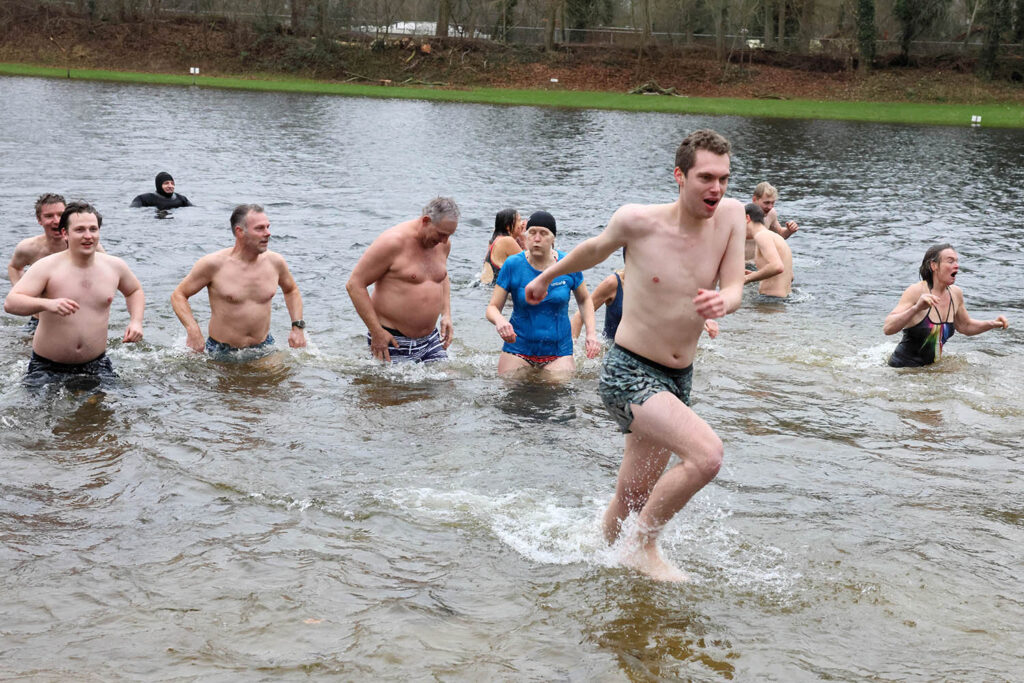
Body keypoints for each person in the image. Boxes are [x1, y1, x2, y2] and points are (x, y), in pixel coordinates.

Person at [524, 129, 745, 582]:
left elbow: (736, 284)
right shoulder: (638, 221)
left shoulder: (733, 217)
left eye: (724, 178)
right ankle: (642, 547)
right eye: (706, 177)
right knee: (707, 456)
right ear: (680, 177)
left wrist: (726, 301)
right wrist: (548, 278)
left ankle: (595, 557)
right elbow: (594, 248)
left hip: (679, 376)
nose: (717, 189)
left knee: (632, 496)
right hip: (629, 370)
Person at [3, 201, 144, 382]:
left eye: (93, 229)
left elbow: (134, 291)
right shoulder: (46, 267)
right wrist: (48, 304)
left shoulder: (114, 266)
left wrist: (136, 321)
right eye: (80, 230)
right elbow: (11, 303)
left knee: (113, 408)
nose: (88, 236)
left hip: (96, 364)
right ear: (65, 233)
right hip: (47, 367)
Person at [170, 204, 306, 360]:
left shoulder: (276, 262)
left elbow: (291, 291)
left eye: (268, 227)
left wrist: (297, 327)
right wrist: (193, 330)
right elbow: (178, 295)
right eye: (260, 228)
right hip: (221, 352)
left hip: (264, 347)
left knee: (285, 381)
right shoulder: (213, 264)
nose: (268, 233)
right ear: (240, 232)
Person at [486, 210, 601, 379]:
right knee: (510, 390)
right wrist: (500, 321)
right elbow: (492, 307)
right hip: (518, 349)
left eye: (543, 233)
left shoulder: (568, 264)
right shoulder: (513, 264)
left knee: (557, 392)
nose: (537, 238)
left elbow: (584, 300)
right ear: (525, 237)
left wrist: (591, 333)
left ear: (553, 238)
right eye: (532, 233)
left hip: (558, 351)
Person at [346, 197, 459, 364]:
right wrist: (376, 332)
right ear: (426, 221)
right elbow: (355, 285)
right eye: (441, 234)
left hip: (431, 340)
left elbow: (441, 275)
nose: (444, 241)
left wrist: (446, 314)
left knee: (449, 385)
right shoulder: (392, 242)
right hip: (392, 341)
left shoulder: (443, 243)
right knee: (392, 390)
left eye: (449, 235)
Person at [884, 243, 1008, 367]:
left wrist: (992, 324)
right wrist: (917, 308)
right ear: (934, 265)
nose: (956, 265)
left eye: (957, 261)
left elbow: (965, 326)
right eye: (950, 261)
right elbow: (888, 328)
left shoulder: (955, 293)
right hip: (902, 370)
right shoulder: (916, 291)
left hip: (929, 371)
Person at [570, 261, 721, 341]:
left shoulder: (660, 286)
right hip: (614, 351)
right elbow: (581, 313)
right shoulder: (614, 284)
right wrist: (573, 352)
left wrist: (703, 321)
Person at [743, 203, 793, 299]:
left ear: (747, 218)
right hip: (784, 299)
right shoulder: (775, 236)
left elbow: (777, 266)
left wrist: (747, 278)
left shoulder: (761, 236)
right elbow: (790, 276)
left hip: (770, 300)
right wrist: (756, 275)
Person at [480, 209, 525, 284]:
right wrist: (524, 239)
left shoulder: (494, 240)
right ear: (508, 226)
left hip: (484, 288)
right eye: (519, 220)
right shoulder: (507, 241)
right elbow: (528, 266)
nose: (522, 224)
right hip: (492, 290)